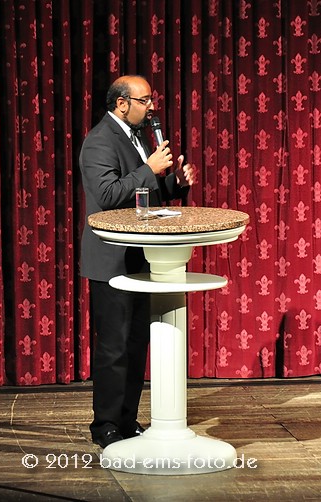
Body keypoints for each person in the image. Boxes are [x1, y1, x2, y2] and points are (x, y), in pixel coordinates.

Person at [79, 75, 197, 448]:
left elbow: (141, 194)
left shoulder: (134, 137)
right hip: (112, 260)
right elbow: (108, 195)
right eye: (145, 101)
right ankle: (105, 426)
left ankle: (127, 420)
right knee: (114, 348)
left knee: (134, 345)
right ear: (121, 103)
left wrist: (174, 183)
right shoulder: (99, 141)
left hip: (140, 256)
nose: (151, 108)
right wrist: (149, 167)